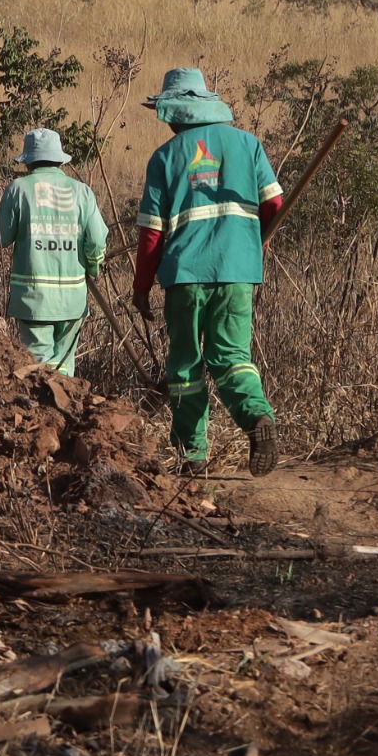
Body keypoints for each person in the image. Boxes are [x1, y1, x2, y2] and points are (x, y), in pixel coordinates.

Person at [132, 67, 284, 476]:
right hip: (238, 271)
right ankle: (256, 418)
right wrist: (254, 242)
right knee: (233, 357)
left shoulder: (165, 157)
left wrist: (141, 287)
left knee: (185, 365)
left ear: (175, 112)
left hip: (184, 275)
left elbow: (151, 234)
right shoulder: (248, 145)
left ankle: (191, 456)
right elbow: (274, 207)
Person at [0, 127, 109, 376]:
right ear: (59, 159)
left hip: (34, 298)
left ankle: (44, 413)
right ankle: (65, 410)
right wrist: (93, 266)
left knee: (37, 366)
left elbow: (0, 238)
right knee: (64, 365)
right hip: (73, 299)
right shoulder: (81, 191)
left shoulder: (18, 189)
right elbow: (97, 240)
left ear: (28, 161)